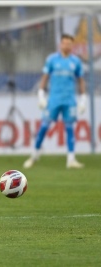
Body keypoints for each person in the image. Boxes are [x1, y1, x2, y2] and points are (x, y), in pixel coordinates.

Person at [23, 33, 86, 169]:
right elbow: (45, 77)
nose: (67, 45)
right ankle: (34, 156)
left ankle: (71, 159)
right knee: (44, 127)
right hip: (54, 99)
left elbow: (80, 80)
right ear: (60, 44)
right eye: (64, 43)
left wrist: (83, 99)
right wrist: (41, 94)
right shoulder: (52, 59)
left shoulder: (76, 61)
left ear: (72, 46)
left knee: (69, 128)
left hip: (69, 100)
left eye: (69, 43)